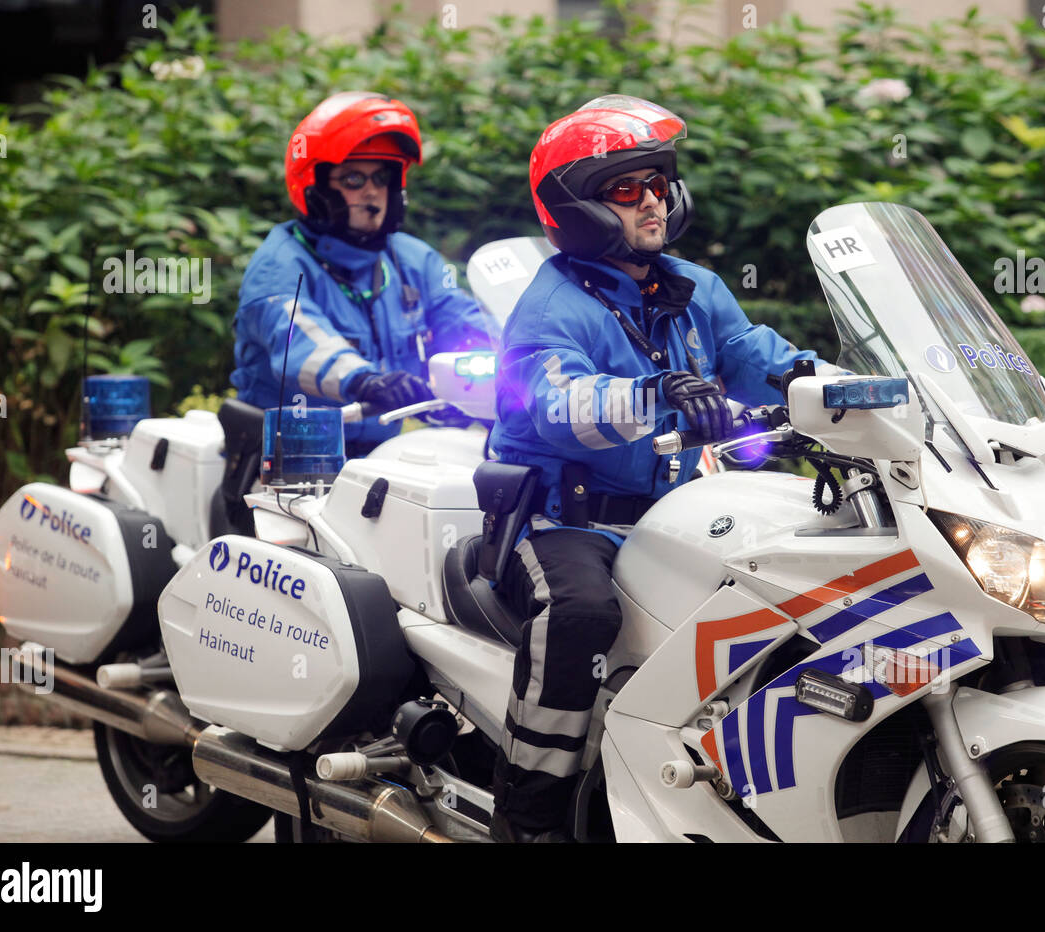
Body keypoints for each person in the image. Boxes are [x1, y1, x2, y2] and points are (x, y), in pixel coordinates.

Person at [487, 94, 843, 842]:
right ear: (576, 205)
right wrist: (658, 394)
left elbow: (755, 358)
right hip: (563, 522)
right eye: (626, 187)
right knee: (580, 614)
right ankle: (530, 816)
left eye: (658, 180)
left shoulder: (691, 287)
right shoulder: (552, 305)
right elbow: (556, 403)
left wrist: (836, 388)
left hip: (672, 515)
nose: (653, 198)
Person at [231, 91, 492, 455]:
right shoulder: (280, 265)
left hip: (378, 460)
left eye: (382, 177)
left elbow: (465, 322)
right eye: (353, 179)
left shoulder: (414, 260)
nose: (372, 191)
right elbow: (302, 342)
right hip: (287, 466)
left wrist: (508, 368)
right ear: (316, 185)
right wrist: (368, 381)